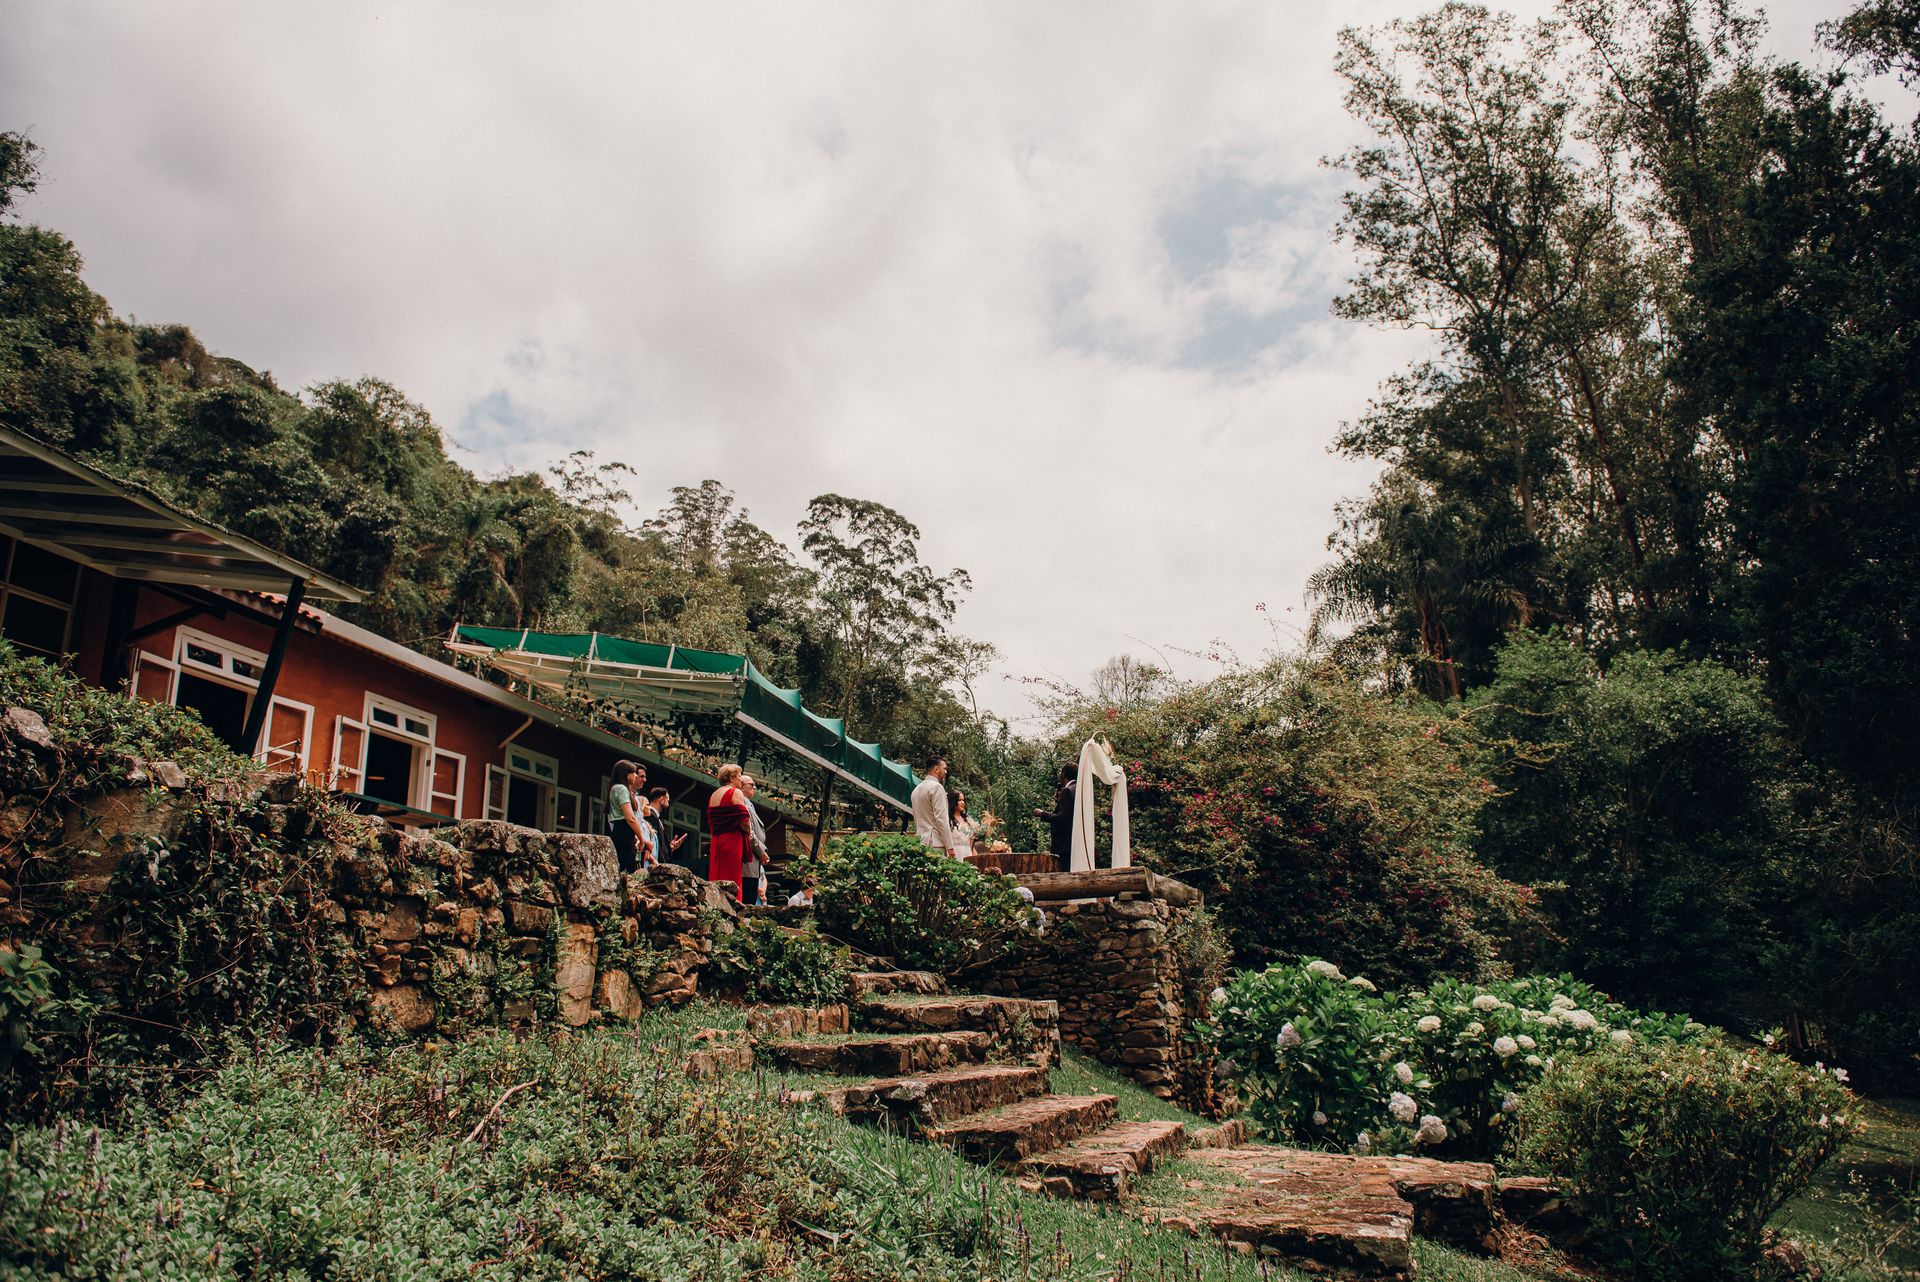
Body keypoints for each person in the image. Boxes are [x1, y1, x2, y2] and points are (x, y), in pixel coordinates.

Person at [706, 764, 753, 902]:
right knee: (733, 875)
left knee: (717, 873)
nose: (741, 780)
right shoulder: (736, 792)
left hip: (717, 840)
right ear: (732, 777)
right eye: (739, 776)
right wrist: (749, 831)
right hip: (732, 840)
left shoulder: (714, 795)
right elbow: (743, 819)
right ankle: (734, 904)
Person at [607, 760, 649, 874]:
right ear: (626, 774)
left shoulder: (618, 788)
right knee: (625, 868)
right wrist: (641, 838)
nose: (635, 775)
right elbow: (630, 818)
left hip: (624, 831)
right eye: (633, 772)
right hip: (624, 831)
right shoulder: (621, 788)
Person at [1033, 763, 1077, 872]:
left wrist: (1042, 814)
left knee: (1066, 873)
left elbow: (1063, 817)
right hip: (1075, 841)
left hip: (1065, 844)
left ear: (1063, 774)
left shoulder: (1067, 791)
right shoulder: (1078, 789)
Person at [910, 755, 954, 855]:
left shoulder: (916, 790)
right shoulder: (937, 787)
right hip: (935, 842)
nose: (946, 772)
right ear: (936, 769)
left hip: (920, 842)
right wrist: (950, 847)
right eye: (944, 768)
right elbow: (941, 819)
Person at [741, 773, 770, 906]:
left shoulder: (750, 804)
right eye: (751, 785)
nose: (754, 788)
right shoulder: (742, 804)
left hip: (754, 859)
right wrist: (761, 851)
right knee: (748, 897)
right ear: (742, 787)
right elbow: (749, 832)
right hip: (749, 856)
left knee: (751, 896)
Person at [646, 786, 687, 866]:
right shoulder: (650, 815)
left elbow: (657, 844)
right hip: (651, 864)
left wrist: (669, 847)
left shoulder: (655, 817)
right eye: (667, 801)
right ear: (661, 800)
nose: (668, 804)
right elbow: (650, 842)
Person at [948, 789, 977, 860]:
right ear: (953, 801)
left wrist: (974, 854)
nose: (963, 802)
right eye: (959, 800)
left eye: (963, 800)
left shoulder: (968, 820)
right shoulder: (948, 820)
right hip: (955, 853)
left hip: (968, 853)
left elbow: (971, 841)